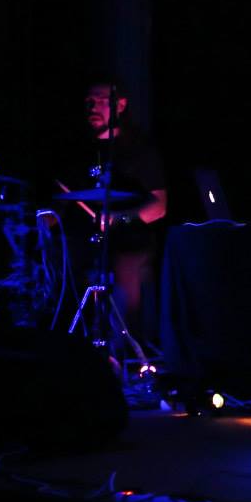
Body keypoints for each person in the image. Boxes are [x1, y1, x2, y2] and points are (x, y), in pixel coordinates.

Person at [68, 81, 167, 334]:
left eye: (101, 100)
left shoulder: (138, 151)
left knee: (124, 304)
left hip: (130, 246)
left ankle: (130, 348)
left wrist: (119, 219)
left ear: (120, 105)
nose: (93, 107)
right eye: (89, 101)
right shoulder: (81, 151)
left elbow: (159, 206)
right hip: (89, 246)